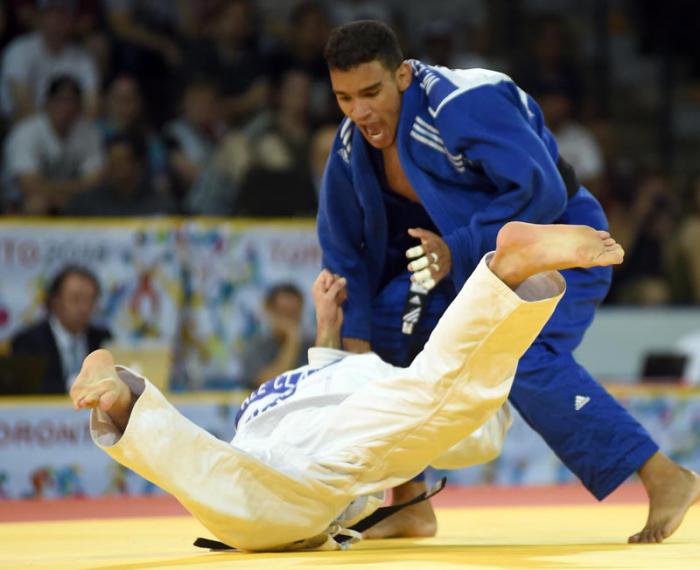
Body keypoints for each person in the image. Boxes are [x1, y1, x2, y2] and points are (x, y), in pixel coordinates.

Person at [316, 20, 699, 543]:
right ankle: (407, 501)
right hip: (467, 269)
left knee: (521, 354)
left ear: (402, 76)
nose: (359, 111)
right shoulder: (349, 149)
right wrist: (357, 342)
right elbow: (344, 250)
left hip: (559, 245)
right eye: (344, 98)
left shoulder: (461, 103)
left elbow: (542, 191)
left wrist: (457, 247)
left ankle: (664, 476)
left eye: (370, 92)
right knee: (385, 325)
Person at [72, 222, 631, 551]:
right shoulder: (378, 381)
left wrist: (326, 325)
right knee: (448, 407)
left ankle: (126, 401)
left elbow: (338, 380)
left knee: (227, 485)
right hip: (311, 443)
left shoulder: (336, 373)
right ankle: (505, 275)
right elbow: (451, 413)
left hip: (268, 428)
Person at [2, 74, 104, 214]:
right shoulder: (26, 132)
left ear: (80, 106)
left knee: (95, 204)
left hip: (72, 200)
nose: (67, 107)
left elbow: (94, 182)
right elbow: (28, 184)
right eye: (61, 100)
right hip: (18, 203)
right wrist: (69, 191)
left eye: (72, 101)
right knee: (37, 204)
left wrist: (61, 194)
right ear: (48, 102)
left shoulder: (89, 132)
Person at [12, 265, 112, 394]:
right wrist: (74, 386)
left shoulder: (102, 338)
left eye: (90, 300)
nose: (83, 307)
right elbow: (27, 387)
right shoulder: (28, 342)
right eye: (75, 299)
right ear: (55, 301)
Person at [241, 283, 314, 389]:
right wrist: (292, 340)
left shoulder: (311, 347)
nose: (289, 319)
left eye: (294, 313)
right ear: (269, 311)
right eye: (283, 312)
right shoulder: (255, 347)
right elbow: (269, 385)